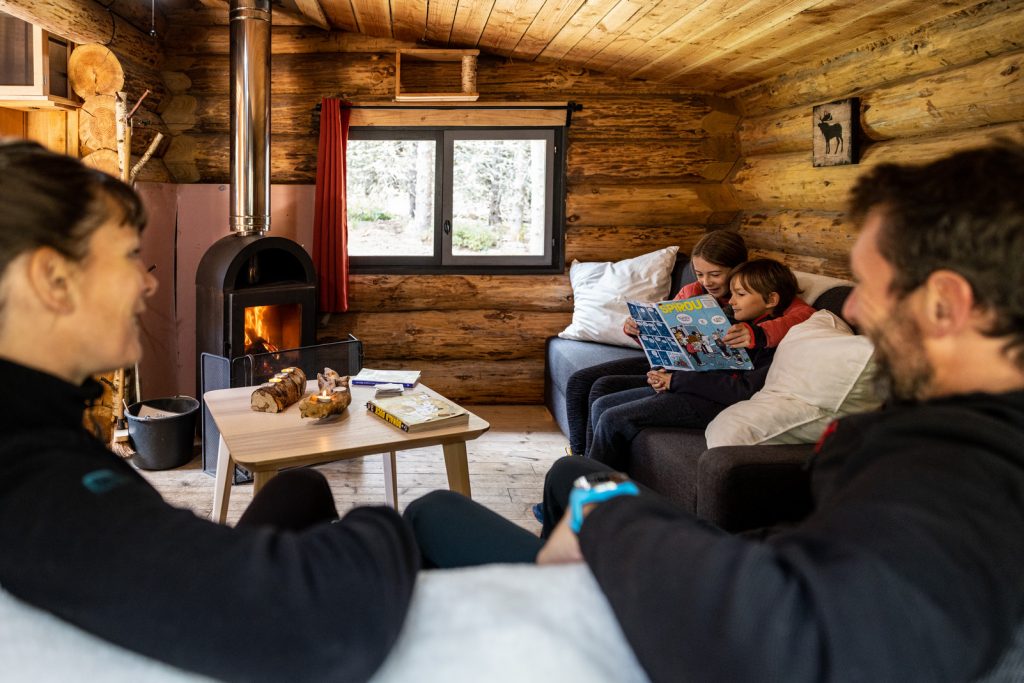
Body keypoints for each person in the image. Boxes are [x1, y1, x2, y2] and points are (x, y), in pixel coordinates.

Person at [405, 142, 1024, 681]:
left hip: (705, 632)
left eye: (870, 283)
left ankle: (542, 615)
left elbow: (799, 640)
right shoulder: (960, 433)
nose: (855, 307)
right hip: (756, 574)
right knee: (577, 479)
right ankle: (550, 587)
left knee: (434, 511)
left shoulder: (954, 479)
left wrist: (610, 531)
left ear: (946, 304)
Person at [0, 141, 420, 682]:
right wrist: (392, 526)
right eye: (130, 255)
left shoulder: (34, 420)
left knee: (301, 488)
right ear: (53, 279)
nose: (149, 281)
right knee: (424, 520)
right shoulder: (32, 483)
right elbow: (323, 626)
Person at [585, 258, 800, 470]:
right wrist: (665, 373)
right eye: (733, 293)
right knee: (601, 404)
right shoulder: (736, 322)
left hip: (712, 403)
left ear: (771, 299)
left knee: (613, 419)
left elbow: (742, 390)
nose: (732, 301)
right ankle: (592, 472)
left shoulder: (772, 342)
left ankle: (592, 496)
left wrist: (676, 380)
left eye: (740, 295)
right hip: (689, 390)